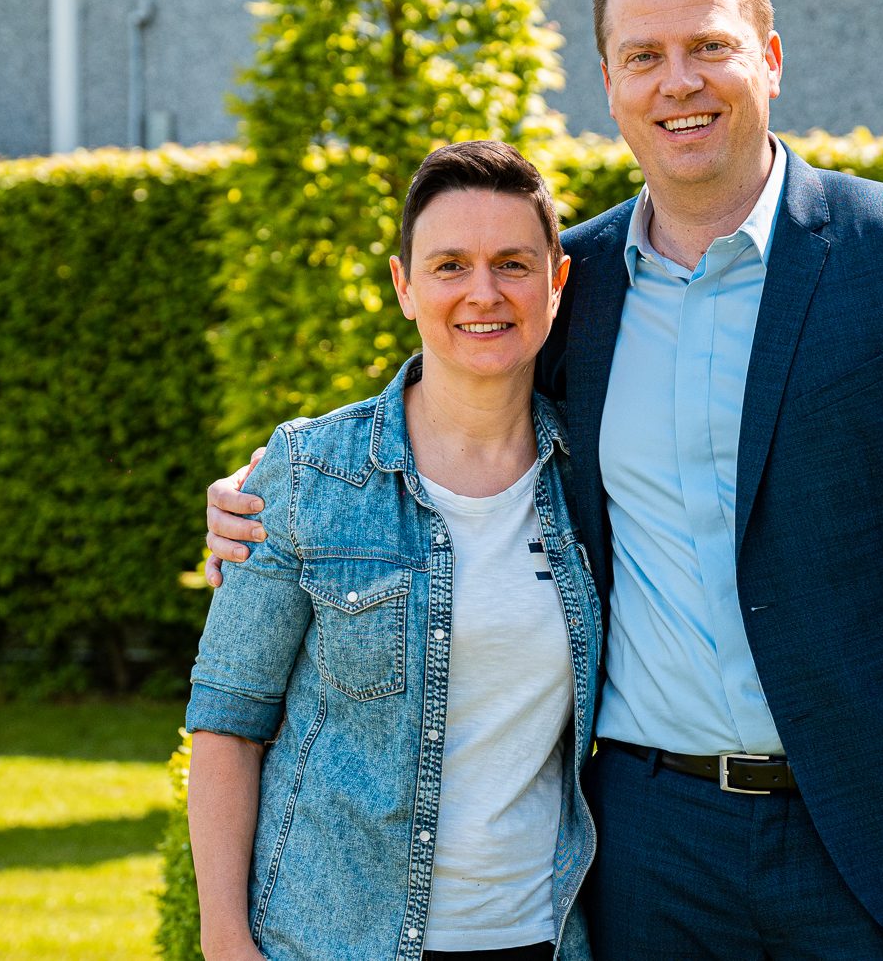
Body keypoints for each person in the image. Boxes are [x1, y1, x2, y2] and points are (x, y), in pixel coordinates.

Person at [208, 0, 883, 961]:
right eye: (643, 56)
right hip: (649, 844)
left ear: (770, 58)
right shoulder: (571, 282)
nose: (677, 82)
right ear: (609, 85)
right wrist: (267, 492)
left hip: (873, 837)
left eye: (708, 46)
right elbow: (442, 402)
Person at [186, 141, 602, 961]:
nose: (483, 292)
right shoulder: (308, 474)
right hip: (330, 939)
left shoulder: (593, 481)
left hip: (539, 936)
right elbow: (227, 721)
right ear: (403, 285)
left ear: (555, 282)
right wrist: (226, 941)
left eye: (512, 264)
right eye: (449, 265)